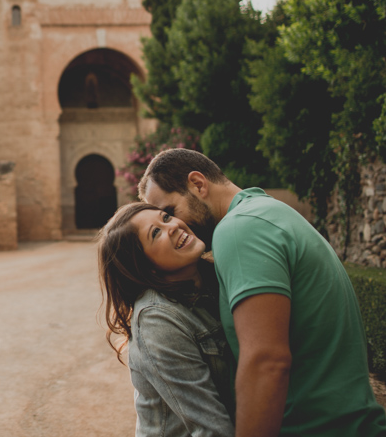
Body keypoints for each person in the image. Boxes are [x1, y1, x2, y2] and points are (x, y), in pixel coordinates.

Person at [139, 148, 386, 437]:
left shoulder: (239, 228)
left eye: (170, 212)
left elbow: (266, 361)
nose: (177, 225)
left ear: (198, 184)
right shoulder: (265, 211)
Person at [98, 201, 235, 437]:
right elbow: (211, 428)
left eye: (166, 217)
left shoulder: (214, 282)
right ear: (144, 267)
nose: (172, 226)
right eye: (155, 233)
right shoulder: (157, 320)